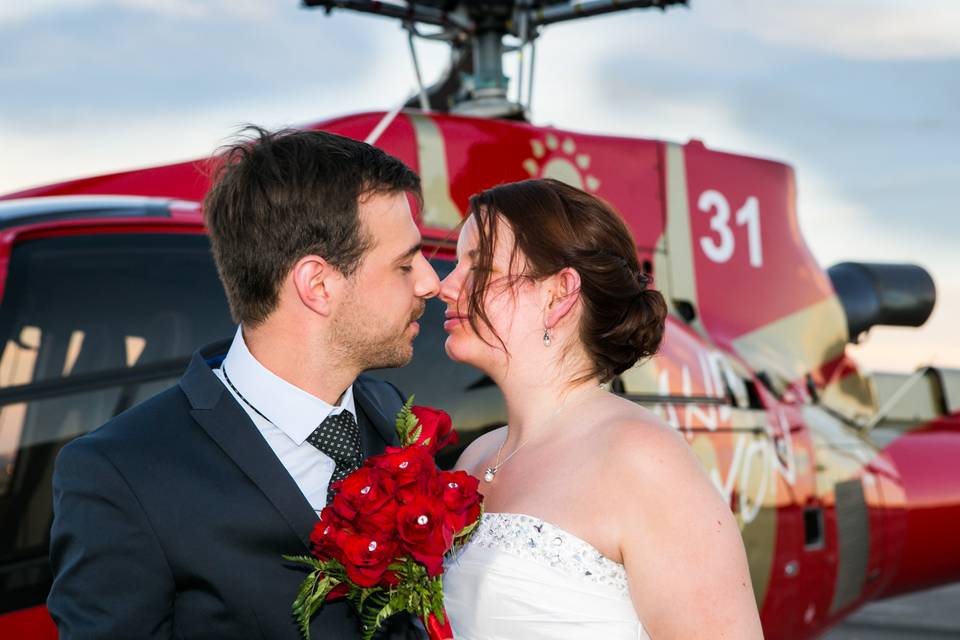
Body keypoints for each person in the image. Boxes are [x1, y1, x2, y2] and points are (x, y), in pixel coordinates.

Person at [47, 127, 439, 639]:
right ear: (317, 284)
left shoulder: (388, 413)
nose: (431, 282)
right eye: (405, 264)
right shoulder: (121, 476)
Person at [439, 178, 764, 639]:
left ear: (559, 293)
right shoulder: (475, 458)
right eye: (454, 264)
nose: (444, 286)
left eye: (480, 265)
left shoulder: (642, 458)